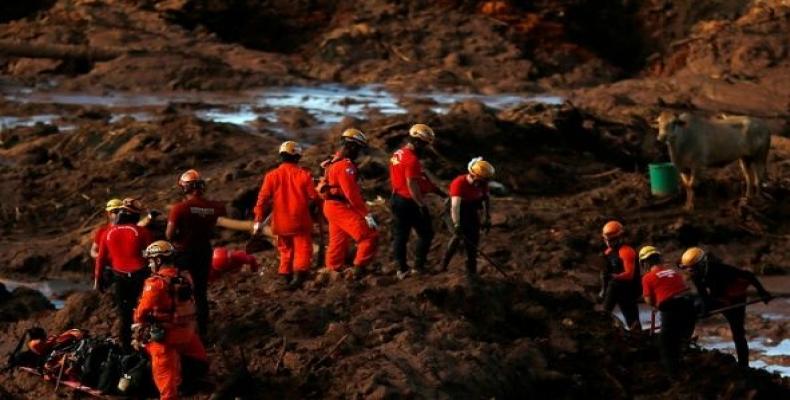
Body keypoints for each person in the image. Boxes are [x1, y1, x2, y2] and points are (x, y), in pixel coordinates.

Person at [134, 240, 208, 400]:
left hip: (165, 339)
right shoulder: (185, 277)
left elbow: (140, 313)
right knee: (198, 360)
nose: (149, 265)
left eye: (150, 261)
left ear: (158, 260)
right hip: (188, 334)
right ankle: (186, 383)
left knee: (166, 387)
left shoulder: (155, 283)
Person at [681, 247, 772, 367]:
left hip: (735, 301)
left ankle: (743, 366)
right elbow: (703, 295)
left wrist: (762, 292)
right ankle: (684, 345)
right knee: (690, 310)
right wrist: (705, 310)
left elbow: (749, 276)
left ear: (702, 263)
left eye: (694, 268)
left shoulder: (720, 269)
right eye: (690, 269)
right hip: (717, 299)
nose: (691, 271)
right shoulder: (695, 275)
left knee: (738, 334)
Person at [166, 169, 226, 337]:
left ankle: (183, 328)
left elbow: (169, 235)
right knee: (200, 291)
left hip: (183, 253)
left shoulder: (179, 209)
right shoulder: (214, 207)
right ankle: (203, 331)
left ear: (185, 188)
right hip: (204, 251)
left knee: (180, 291)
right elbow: (217, 227)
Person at [253, 141, 318, 288]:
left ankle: (285, 275)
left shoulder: (271, 176)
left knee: (285, 249)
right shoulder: (304, 175)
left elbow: (261, 200)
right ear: (297, 157)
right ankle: (298, 277)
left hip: (280, 223)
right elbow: (314, 197)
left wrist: (258, 220)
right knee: (303, 248)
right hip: (300, 221)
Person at [318, 128, 378, 279]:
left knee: (338, 240)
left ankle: (332, 269)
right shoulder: (345, 166)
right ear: (351, 146)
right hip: (339, 207)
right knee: (369, 235)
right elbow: (351, 194)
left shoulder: (332, 161)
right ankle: (358, 270)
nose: (359, 153)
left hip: (330, 206)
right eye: (358, 148)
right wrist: (366, 215)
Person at [95, 198, 153, 350]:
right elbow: (152, 256)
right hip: (140, 276)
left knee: (124, 314)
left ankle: (126, 348)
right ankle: (145, 345)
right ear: (136, 216)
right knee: (144, 311)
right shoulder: (143, 232)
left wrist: (98, 279)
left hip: (119, 278)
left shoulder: (107, 233)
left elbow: (100, 259)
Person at [389, 123, 444, 279]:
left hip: (396, 198)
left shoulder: (397, 153)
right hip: (408, 201)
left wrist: (435, 190)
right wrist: (422, 205)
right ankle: (418, 267)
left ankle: (401, 269)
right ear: (418, 142)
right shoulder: (412, 159)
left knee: (401, 235)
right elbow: (412, 185)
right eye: (425, 144)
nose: (426, 148)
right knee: (426, 233)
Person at [639, 246, 697, 373]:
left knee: (666, 345)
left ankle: (674, 377)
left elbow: (648, 300)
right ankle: (685, 364)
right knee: (682, 340)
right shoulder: (673, 272)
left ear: (644, 263)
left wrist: (657, 304)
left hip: (670, 308)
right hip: (690, 306)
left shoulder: (647, 278)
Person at [440, 157, 494, 278]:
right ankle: (443, 264)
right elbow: (455, 207)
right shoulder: (459, 183)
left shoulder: (483, 183)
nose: (483, 183)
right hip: (454, 210)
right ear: (473, 175)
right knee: (457, 235)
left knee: (474, 236)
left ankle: (471, 269)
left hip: (470, 208)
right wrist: (457, 224)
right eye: (481, 180)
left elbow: (486, 199)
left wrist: (487, 217)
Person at [600, 221, 642, 330]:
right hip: (616, 287)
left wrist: (613, 277)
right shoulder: (608, 253)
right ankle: (605, 318)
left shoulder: (626, 251)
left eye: (612, 240)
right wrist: (603, 290)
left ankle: (605, 313)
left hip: (629, 288)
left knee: (631, 317)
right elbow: (605, 273)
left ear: (620, 238)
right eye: (607, 240)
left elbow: (629, 275)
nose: (609, 243)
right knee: (611, 283)